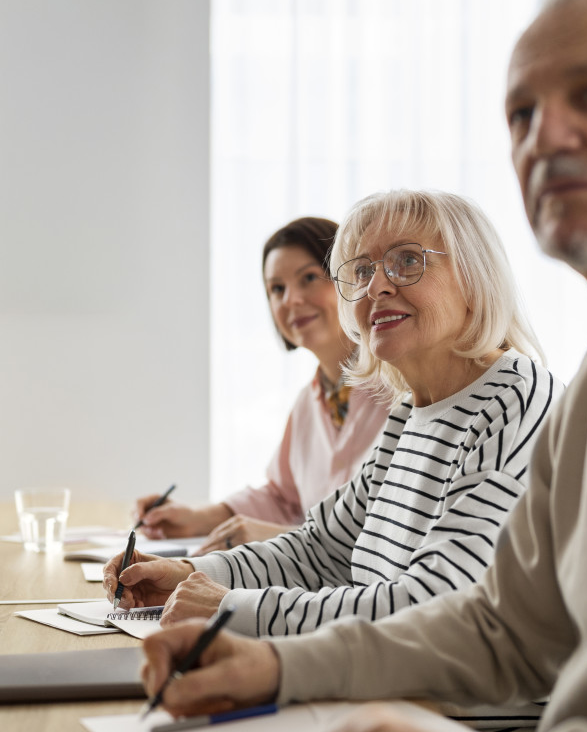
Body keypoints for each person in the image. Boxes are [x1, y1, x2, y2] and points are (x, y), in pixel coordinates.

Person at [139, 0, 587, 732]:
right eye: (521, 113)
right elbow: (505, 631)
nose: (545, 136)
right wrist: (279, 662)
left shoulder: (532, 392)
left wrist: (248, 616)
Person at [106, 188, 563, 726]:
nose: (379, 286)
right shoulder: (411, 408)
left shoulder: (516, 400)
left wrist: (232, 608)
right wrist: (189, 572)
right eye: (362, 270)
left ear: (475, 276)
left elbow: (434, 607)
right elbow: (323, 550)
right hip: (378, 702)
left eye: (408, 261)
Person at [135, 216, 389, 555]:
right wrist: (197, 517)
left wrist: (270, 537)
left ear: (352, 278)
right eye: (277, 289)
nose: (291, 300)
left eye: (309, 278)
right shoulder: (309, 403)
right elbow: (283, 499)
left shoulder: (403, 389)